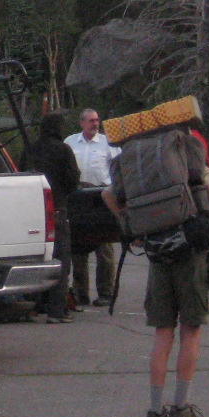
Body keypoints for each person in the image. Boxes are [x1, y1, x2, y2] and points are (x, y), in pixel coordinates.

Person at [103, 127, 209, 417]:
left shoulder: (143, 166)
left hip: (158, 253)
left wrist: (129, 222)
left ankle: (154, 412)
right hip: (190, 255)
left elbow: (107, 194)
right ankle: (181, 409)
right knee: (190, 330)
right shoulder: (190, 161)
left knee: (163, 333)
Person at [26, 112, 81, 322]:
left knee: (34, 259)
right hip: (56, 208)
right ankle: (57, 311)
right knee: (60, 259)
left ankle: (31, 306)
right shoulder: (63, 150)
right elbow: (73, 179)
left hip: (32, 211)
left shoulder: (30, 149)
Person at [66, 108, 120, 305]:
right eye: (91, 121)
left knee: (104, 248)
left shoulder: (108, 143)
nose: (95, 124)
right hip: (78, 198)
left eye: (97, 120)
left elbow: (119, 168)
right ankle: (81, 293)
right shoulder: (70, 142)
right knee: (78, 247)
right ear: (82, 123)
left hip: (101, 197)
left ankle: (106, 293)